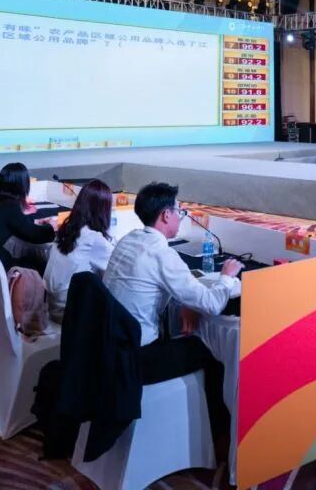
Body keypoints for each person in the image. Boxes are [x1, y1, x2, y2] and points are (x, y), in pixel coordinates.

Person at [103, 182, 241, 450]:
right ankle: (215, 440)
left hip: (110, 348)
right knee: (209, 350)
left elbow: (153, 287)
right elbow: (212, 304)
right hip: (137, 358)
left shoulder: (128, 241)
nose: (180, 217)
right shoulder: (162, 254)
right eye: (179, 212)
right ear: (166, 215)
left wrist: (189, 303)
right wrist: (226, 277)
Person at [0, 162, 55, 286]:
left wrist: (33, 221)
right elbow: (34, 235)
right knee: (37, 264)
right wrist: (51, 227)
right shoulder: (10, 206)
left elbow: (16, 223)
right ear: (22, 184)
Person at [44, 179, 116, 322]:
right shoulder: (93, 238)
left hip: (52, 305)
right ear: (103, 210)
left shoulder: (67, 229)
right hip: (69, 312)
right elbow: (115, 265)